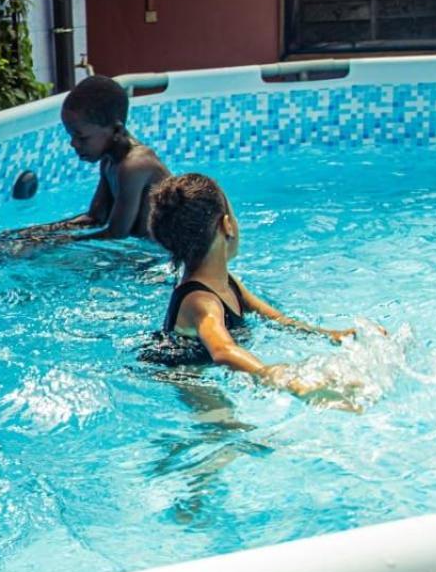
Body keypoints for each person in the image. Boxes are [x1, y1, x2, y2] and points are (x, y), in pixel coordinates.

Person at [144, 173, 359, 404]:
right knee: (228, 432)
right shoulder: (199, 301)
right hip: (186, 377)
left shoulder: (227, 282)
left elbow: (276, 319)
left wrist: (329, 335)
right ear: (226, 225)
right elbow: (222, 350)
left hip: (203, 370)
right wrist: (272, 374)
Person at [9, 75, 169, 246]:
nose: (73, 144)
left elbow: (117, 234)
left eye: (81, 137)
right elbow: (95, 218)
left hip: (158, 252)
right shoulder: (109, 159)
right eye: (71, 135)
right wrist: (32, 234)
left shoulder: (135, 166)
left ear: (116, 129)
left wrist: (49, 243)